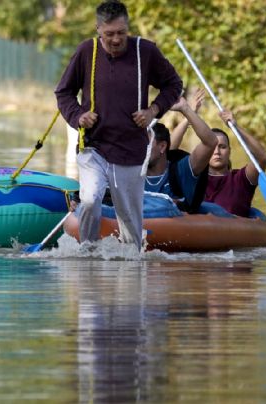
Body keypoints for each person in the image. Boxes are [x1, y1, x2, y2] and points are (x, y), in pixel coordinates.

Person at [54, 0, 183, 251]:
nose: (116, 39)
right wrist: (79, 116)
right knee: (90, 200)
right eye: (109, 34)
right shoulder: (86, 52)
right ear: (98, 29)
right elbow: (64, 93)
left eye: (121, 33)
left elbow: (173, 84)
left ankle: (133, 266)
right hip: (94, 146)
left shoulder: (144, 51)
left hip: (131, 149)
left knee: (130, 221)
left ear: (128, 28)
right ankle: (87, 254)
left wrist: (153, 111)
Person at [144, 96, 217, 212]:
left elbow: (210, 143)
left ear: (162, 146)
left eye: (145, 143)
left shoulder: (181, 170)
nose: (139, 148)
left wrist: (186, 109)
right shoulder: (131, 172)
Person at [204, 110, 266, 217]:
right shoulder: (194, 179)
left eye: (222, 147)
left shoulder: (241, 179)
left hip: (234, 230)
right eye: (212, 147)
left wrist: (236, 127)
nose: (217, 152)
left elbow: (262, 157)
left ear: (229, 151)